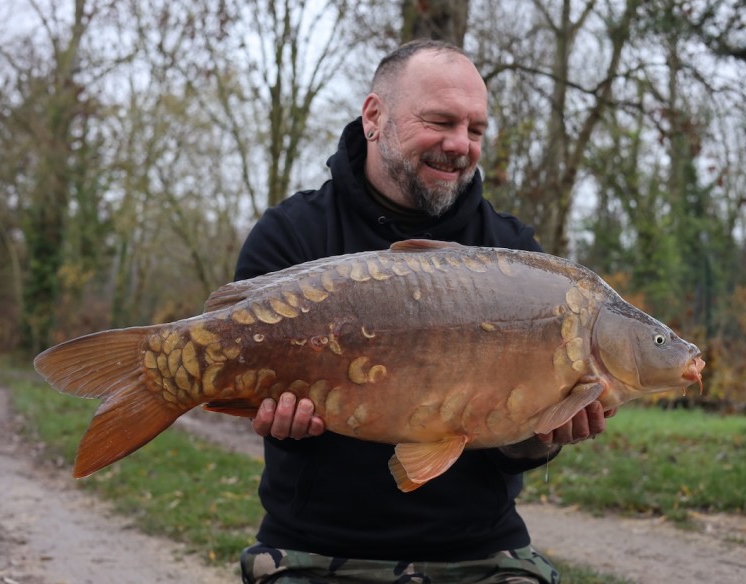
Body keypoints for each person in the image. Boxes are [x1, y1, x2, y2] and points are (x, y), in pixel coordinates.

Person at [233, 39, 615, 584]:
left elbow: (513, 450)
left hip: (479, 552)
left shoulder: (518, 259)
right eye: (439, 122)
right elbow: (248, 397)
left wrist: (544, 432)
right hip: (312, 546)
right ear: (374, 117)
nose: (460, 145)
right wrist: (271, 418)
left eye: (476, 129)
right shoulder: (294, 234)